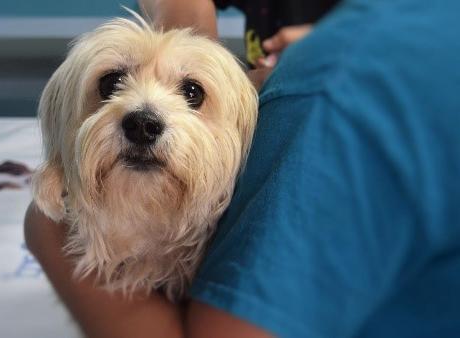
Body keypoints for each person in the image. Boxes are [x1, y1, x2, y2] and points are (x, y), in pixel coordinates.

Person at [24, 0, 460, 337]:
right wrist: (198, 54)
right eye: (111, 83)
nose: (142, 113)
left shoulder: (334, 94)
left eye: (191, 94)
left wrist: (45, 231)